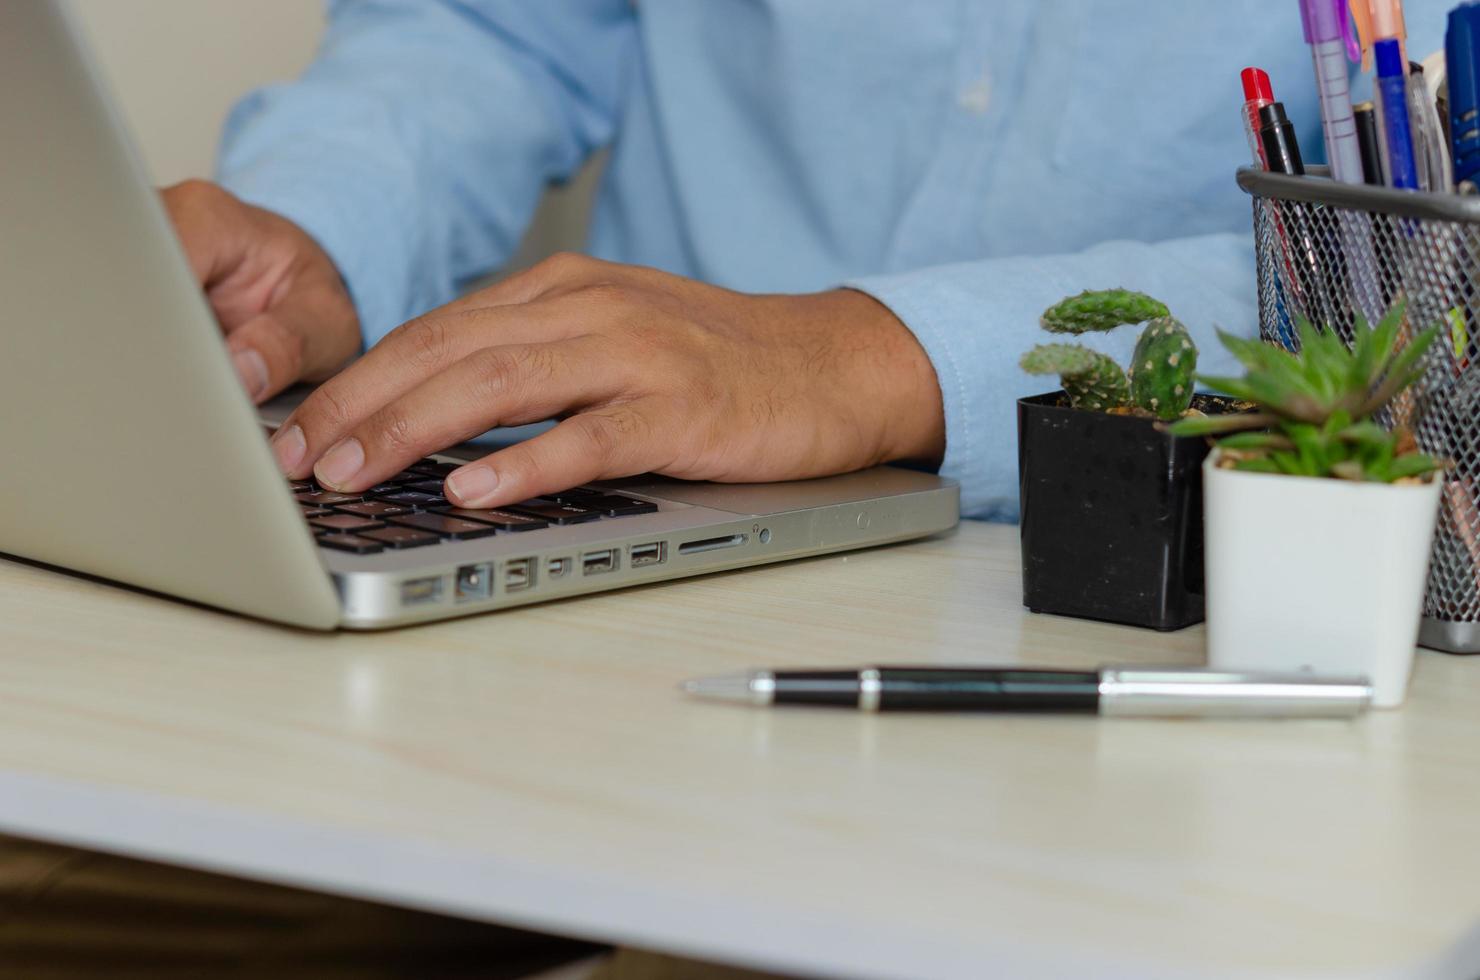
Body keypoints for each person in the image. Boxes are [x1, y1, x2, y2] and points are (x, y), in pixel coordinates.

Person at [2, 1, 1451, 976]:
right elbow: (501, 27)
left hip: (1168, 664)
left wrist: (879, 355)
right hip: (592, 592)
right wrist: (321, 224)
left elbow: (1433, 250)